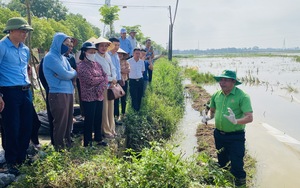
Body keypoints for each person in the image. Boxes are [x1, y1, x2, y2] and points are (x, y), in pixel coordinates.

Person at [202, 70, 253, 187]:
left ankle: (241, 185)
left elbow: (249, 118)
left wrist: (236, 121)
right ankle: (226, 183)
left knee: (237, 165)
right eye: (221, 79)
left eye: (225, 80)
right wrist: (207, 118)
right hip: (219, 135)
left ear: (233, 82)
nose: (222, 82)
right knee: (222, 162)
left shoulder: (243, 96)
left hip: (236, 137)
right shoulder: (216, 95)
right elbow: (212, 111)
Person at [0, 17, 34, 175]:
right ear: (11, 31)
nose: (24, 33)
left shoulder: (25, 49)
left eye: (26, 31)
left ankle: (22, 157)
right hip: (9, 92)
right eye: (22, 30)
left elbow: (24, 69)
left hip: (25, 90)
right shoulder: (2, 47)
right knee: (11, 127)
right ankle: (11, 161)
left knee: (27, 124)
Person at [43, 32, 77, 150]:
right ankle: (59, 148)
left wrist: (69, 73)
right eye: (65, 44)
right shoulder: (50, 57)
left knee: (68, 121)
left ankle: (67, 145)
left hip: (68, 92)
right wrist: (68, 74)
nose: (67, 46)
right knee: (60, 122)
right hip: (58, 93)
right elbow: (65, 74)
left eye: (69, 44)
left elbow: (72, 72)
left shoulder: (63, 58)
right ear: (58, 43)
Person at [77, 42, 108, 147]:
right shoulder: (81, 66)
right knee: (89, 119)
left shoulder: (97, 64)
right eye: (91, 52)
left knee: (98, 118)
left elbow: (106, 76)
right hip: (88, 97)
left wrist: (100, 86)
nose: (93, 54)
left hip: (99, 95)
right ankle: (87, 142)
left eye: (94, 52)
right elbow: (90, 80)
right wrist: (101, 79)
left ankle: (98, 139)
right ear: (84, 52)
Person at [94, 37, 117, 138]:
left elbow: (113, 68)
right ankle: (106, 130)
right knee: (104, 108)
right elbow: (99, 73)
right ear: (97, 47)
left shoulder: (107, 56)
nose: (103, 48)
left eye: (105, 46)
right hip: (101, 85)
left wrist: (114, 79)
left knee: (111, 108)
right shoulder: (95, 57)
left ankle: (112, 128)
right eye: (101, 45)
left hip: (111, 85)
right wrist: (111, 79)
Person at [108, 37, 123, 123]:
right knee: (110, 102)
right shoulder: (107, 55)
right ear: (110, 45)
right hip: (109, 82)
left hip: (116, 81)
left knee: (116, 100)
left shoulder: (116, 55)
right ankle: (111, 120)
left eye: (118, 45)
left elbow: (118, 68)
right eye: (115, 45)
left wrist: (120, 79)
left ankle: (115, 118)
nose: (116, 47)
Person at [117, 48, 130, 120]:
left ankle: (123, 113)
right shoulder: (115, 61)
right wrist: (122, 70)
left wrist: (120, 70)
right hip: (117, 82)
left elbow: (128, 70)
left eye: (121, 54)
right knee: (116, 99)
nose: (120, 55)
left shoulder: (126, 62)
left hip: (124, 81)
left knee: (123, 98)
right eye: (118, 53)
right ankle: (117, 114)